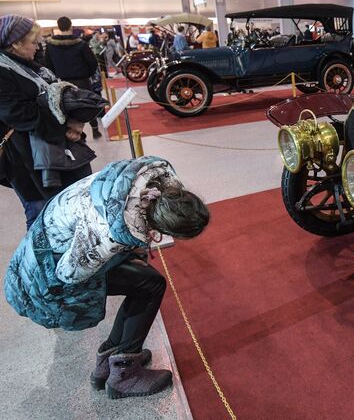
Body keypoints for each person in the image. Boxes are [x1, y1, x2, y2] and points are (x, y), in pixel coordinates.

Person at [4, 156, 210, 399]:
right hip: (49, 272)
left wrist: (126, 252)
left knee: (145, 281)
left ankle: (112, 358)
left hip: (52, 244)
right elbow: (69, 274)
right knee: (151, 285)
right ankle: (124, 376)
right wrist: (117, 254)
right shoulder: (109, 236)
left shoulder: (140, 182)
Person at [0, 15, 102, 228]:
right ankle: (42, 261)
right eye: (33, 43)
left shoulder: (31, 67)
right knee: (41, 217)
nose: (37, 48)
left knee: (64, 211)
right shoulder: (4, 71)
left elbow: (53, 96)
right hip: (24, 159)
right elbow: (21, 114)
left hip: (49, 151)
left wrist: (76, 120)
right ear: (16, 43)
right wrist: (67, 125)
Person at [44, 16, 102, 139]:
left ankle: (76, 135)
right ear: (71, 26)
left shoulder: (50, 45)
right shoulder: (81, 44)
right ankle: (95, 129)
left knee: (68, 109)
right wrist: (88, 74)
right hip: (82, 81)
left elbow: (48, 65)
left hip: (63, 83)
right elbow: (92, 63)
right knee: (88, 105)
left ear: (58, 27)